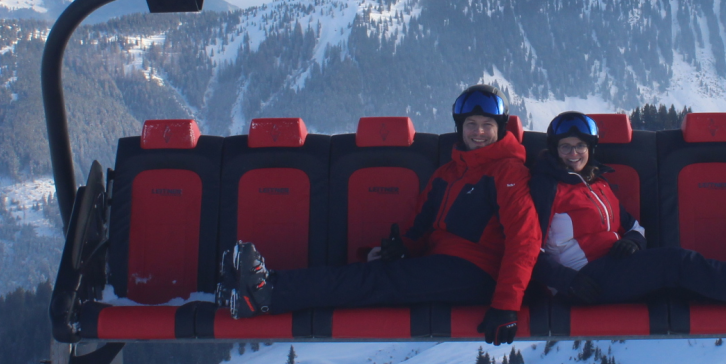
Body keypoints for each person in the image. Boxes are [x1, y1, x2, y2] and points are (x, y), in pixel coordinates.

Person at [219, 85, 540, 344]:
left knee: (373, 281)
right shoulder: (449, 172)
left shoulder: (507, 172)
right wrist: (400, 249)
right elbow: (419, 225)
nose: (479, 132)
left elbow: (524, 240)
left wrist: (506, 306)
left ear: (500, 129)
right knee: (368, 274)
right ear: (460, 128)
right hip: (442, 266)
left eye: (487, 125)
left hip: (478, 273)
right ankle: (247, 286)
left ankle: (267, 293)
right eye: (471, 124)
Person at [530, 111, 726, 312]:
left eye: (580, 146)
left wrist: (633, 242)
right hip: (583, 282)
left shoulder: (598, 184)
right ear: (554, 150)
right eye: (565, 147)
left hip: (612, 268)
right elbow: (528, 250)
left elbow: (634, 226)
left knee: (685, 279)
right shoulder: (547, 187)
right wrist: (567, 282)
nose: (573, 154)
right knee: (676, 262)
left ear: (591, 148)